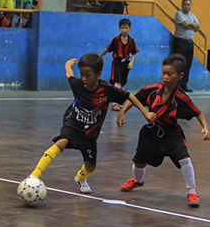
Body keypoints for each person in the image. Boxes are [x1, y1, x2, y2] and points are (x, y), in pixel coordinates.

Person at [27, 54, 154, 194]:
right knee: (61, 142)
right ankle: (34, 175)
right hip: (73, 122)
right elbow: (69, 75)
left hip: (90, 133)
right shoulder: (78, 85)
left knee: (90, 167)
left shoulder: (106, 89)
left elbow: (129, 96)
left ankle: (80, 179)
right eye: (81, 74)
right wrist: (67, 66)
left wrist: (144, 112)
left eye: (88, 75)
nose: (84, 78)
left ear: (98, 73)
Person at [118, 54, 210, 207]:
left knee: (185, 160)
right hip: (150, 134)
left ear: (180, 75)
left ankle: (192, 192)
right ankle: (138, 181)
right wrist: (122, 112)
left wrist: (205, 128)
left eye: (170, 74)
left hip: (171, 134)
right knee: (139, 163)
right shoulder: (153, 90)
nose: (165, 77)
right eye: (163, 73)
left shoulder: (182, 98)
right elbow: (135, 99)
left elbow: (198, 113)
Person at [99, 17, 139, 110]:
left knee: (123, 83)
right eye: (122, 28)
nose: (124, 30)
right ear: (119, 28)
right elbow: (108, 49)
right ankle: (114, 104)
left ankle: (119, 101)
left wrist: (132, 63)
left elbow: (134, 53)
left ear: (129, 28)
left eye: (126, 28)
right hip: (117, 62)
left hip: (126, 63)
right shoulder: (116, 40)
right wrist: (100, 56)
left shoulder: (131, 40)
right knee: (117, 81)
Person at [171, 0, 200, 92]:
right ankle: (176, 85)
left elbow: (198, 26)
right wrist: (193, 25)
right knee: (179, 64)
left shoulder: (192, 15)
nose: (187, 6)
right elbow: (185, 25)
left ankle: (184, 85)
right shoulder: (179, 14)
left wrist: (191, 24)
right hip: (180, 42)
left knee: (188, 65)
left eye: (189, 5)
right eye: (185, 4)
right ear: (182, 5)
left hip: (190, 42)